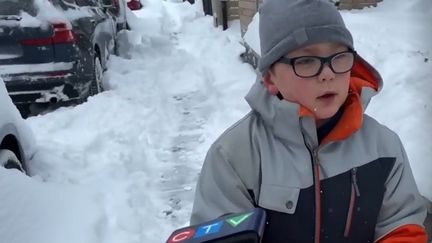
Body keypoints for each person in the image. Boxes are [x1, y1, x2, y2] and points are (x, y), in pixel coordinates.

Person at [190, 0, 428, 242]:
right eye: (306, 61)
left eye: (339, 56)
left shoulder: (383, 148)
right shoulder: (235, 157)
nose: (328, 74)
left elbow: (400, 226)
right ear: (271, 78)